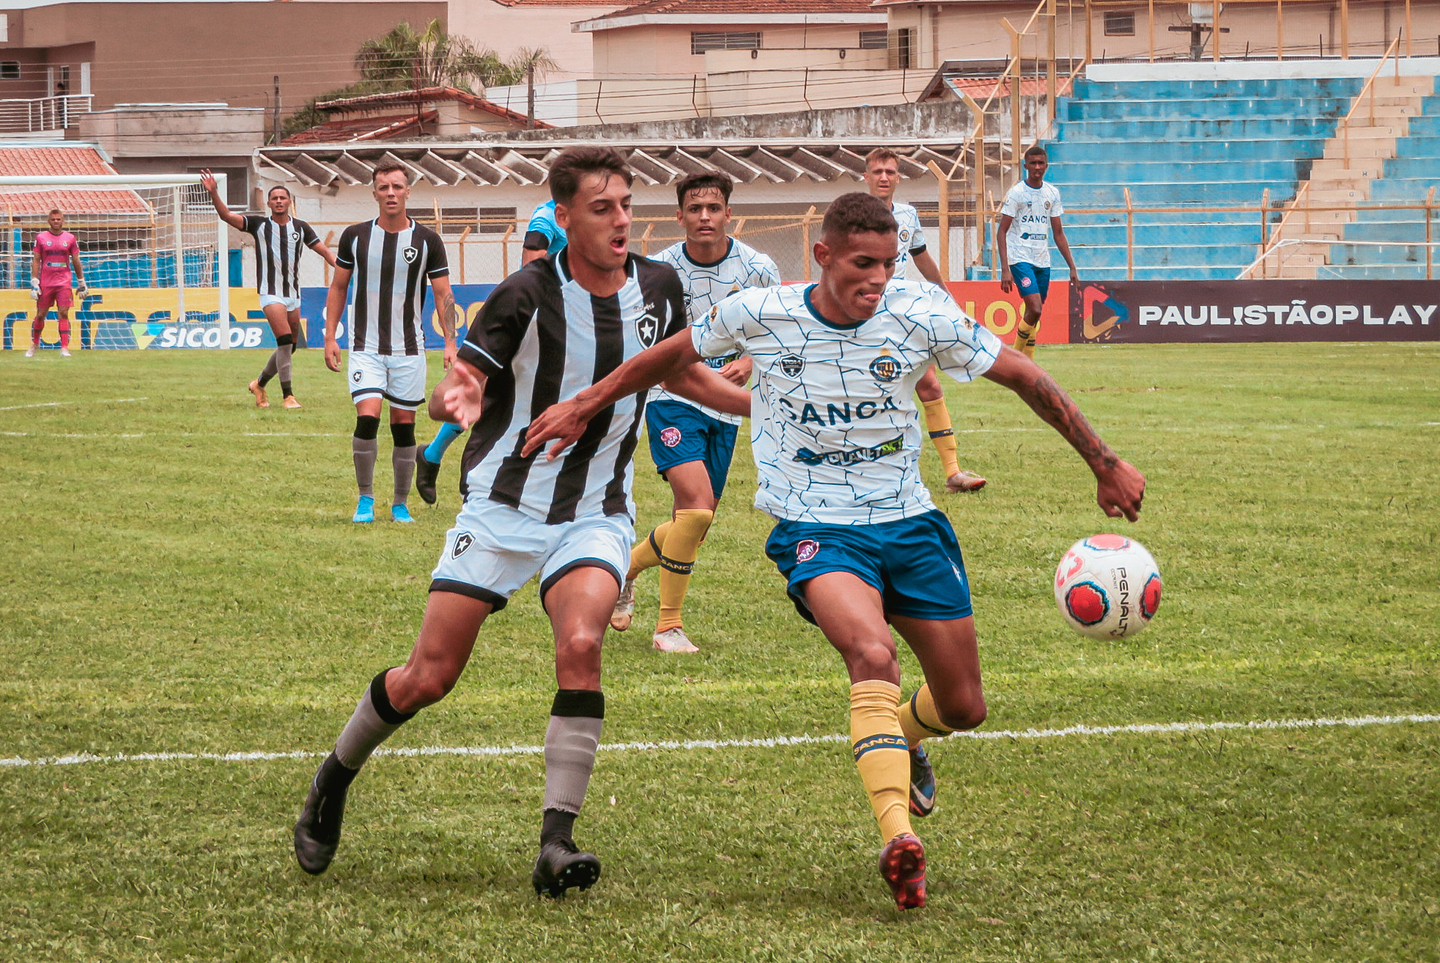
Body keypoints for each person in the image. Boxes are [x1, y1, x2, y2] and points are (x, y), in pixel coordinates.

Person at [522, 192, 1145, 911]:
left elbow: (1025, 376)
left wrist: (1103, 461)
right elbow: (661, 358)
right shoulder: (764, 309)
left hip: (911, 524)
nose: (877, 278)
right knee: (871, 655)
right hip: (817, 529)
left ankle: (904, 734)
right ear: (822, 255)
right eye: (861, 263)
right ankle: (897, 838)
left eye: (885, 263)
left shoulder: (919, 312)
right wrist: (582, 405)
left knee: (965, 705)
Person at [293, 146, 748, 898]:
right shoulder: (525, 293)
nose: (621, 220)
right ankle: (333, 778)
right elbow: (461, 380)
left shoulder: (660, 288)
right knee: (427, 676)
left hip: (593, 513)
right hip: (503, 507)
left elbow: (678, 373)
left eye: (627, 205)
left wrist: (762, 405)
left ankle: (556, 842)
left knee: (581, 641)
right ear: (563, 218)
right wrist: (453, 399)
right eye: (602, 209)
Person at [608, 171, 779, 654]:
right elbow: (644, 340)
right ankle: (668, 628)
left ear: (728, 213)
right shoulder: (657, 271)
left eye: (714, 208)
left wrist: (748, 361)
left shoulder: (758, 269)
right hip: (673, 398)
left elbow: (776, 333)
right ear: (679, 215)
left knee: (694, 524)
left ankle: (626, 568)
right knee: (697, 506)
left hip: (724, 409)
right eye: (695, 208)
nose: (705, 216)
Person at [323, 161, 457, 524]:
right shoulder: (355, 236)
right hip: (364, 346)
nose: (391, 194)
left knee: (403, 427)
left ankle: (400, 503)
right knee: (367, 418)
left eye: (397, 187)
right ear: (374, 193)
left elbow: (443, 294)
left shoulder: (427, 240)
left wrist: (450, 342)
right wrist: (330, 335)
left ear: (408, 191)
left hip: (409, 349)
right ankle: (365, 499)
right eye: (384, 188)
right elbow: (338, 287)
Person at [414, 197, 570, 504]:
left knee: (499, 398)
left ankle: (432, 455)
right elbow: (532, 267)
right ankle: (472, 476)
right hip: (533, 321)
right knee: (490, 396)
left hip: (562, 322)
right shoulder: (546, 216)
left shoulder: (587, 214)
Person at [863, 148, 986, 494]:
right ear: (867, 177)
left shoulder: (908, 215)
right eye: (877, 171)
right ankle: (867, 471)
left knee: (929, 385)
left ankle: (953, 473)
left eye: (890, 171)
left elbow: (921, 257)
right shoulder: (854, 214)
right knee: (870, 392)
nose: (884, 177)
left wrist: (946, 296)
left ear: (898, 177)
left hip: (901, 315)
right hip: (864, 315)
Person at [202, 172, 337, 408]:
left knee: (290, 347)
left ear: (289, 202)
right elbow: (226, 215)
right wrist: (213, 192)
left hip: (293, 294)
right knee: (284, 340)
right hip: (270, 292)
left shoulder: (301, 228)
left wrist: (343, 268)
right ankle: (288, 396)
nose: (278, 201)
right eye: (274, 198)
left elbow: (324, 251)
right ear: (268, 203)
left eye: (282, 197)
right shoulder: (259, 224)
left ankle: (259, 384)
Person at [997, 144, 1079, 358]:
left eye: (1041, 163)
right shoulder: (1016, 193)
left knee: (1033, 313)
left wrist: (1072, 266)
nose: (1037, 167)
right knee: (1035, 308)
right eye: (1032, 163)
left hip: (1043, 260)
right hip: (1020, 257)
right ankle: (1015, 358)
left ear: (1047, 166)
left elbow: (1058, 233)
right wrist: (1005, 269)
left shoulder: (1052, 193)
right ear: (1025, 166)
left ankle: (1029, 362)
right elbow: (1001, 231)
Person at [26, 209, 85, 357]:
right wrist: (34, 281)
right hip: (46, 282)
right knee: (40, 314)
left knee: (64, 312)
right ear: (49, 221)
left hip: (64, 281)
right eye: (53, 219)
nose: (56, 221)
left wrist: (81, 281)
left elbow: (76, 260)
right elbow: (36, 259)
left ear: (63, 220)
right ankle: (35, 343)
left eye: (58, 219)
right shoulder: (41, 238)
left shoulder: (70, 238)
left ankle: (64, 347)